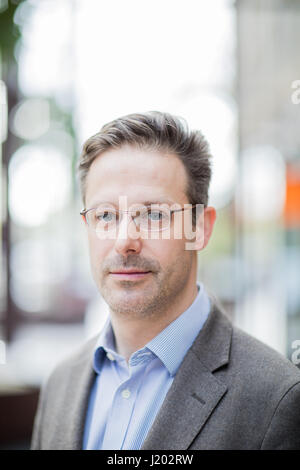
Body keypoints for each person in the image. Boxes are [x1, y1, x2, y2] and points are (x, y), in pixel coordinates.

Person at [31, 111, 300, 450]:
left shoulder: (276, 399)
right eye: (105, 216)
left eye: (155, 214)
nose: (124, 240)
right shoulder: (60, 384)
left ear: (200, 227)